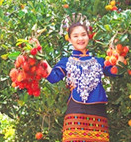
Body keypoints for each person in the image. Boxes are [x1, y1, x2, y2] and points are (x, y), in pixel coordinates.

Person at [45, 13, 118, 142]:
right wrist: (40, 60)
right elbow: (53, 78)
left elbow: (116, 71)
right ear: (69, 39)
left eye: (83, 35)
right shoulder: (66, 61)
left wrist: (119, 48)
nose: (80, 39)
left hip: (97, 110)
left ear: (88, 36)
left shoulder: (100, 61)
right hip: (76, 110)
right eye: (76, 36)